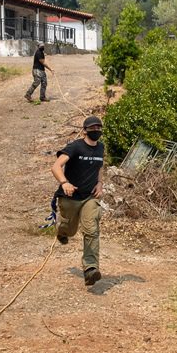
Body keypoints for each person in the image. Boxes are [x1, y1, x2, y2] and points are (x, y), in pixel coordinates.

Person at [51, 115, 105, 286]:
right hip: (69, 197)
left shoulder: (101, 148)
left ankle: (90, 268)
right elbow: (56, 166)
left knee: (91, 229)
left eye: (98, 128)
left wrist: (100, 183)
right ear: (84, 130)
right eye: (92, 128)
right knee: (70, 229)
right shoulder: (75, 147)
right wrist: (64, 182)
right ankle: (63, 232)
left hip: (89, 197)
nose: (95, 131)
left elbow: (99, 167)